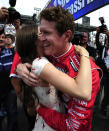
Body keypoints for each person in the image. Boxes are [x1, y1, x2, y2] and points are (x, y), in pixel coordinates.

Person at [15, 6, 101, 131]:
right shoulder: (48, 54)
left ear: (67, 35)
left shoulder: (89, 72)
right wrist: (20, 66)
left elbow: (73, 126)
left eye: (47, 33)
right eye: (41, 32)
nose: (41, 38)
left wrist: (40, 109)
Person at [0, 26, 17, 131]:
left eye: (10, 37)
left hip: (11, 87)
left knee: (12, 112)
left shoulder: (15, 51)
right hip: (2, 88)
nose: (6, 39)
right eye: (6, 37)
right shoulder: (1, 53)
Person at [95, 26, 109, 118]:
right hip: (101, 74)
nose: (108, 43)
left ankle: (103, 108)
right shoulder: (102, 48)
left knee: (107, 93)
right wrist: (98, 33)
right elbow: (97, 42)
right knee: (97, 91)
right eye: (107, 41)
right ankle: (95, 108)